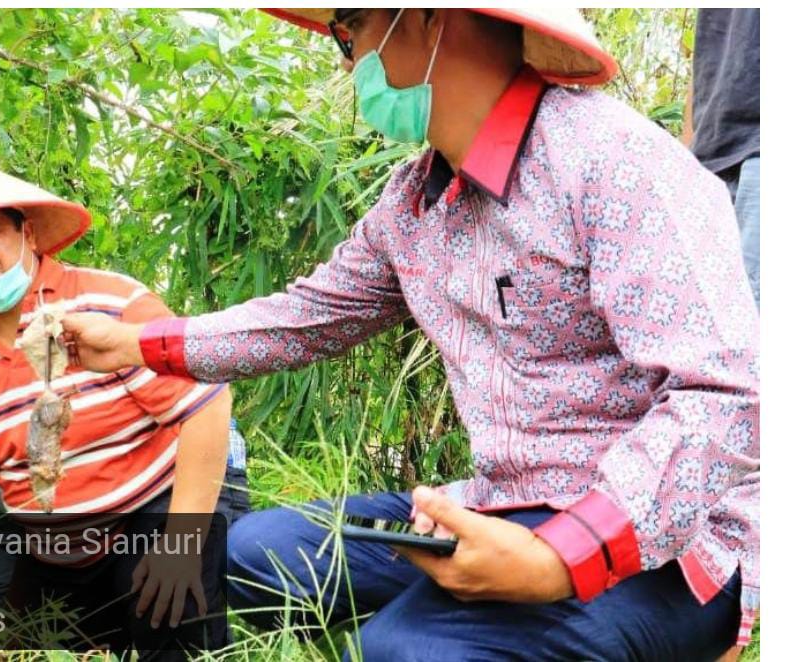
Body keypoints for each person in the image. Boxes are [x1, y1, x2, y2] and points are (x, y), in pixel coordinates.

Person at [61, 8, 759, 660]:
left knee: (405, 649)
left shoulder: (611, 160)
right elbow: (307, 316)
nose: (345, 63)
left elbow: (727, 397)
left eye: (349, 30)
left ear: (426, 17)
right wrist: (137, 344)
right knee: (254, 552)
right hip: (501, 503)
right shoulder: (412, 204)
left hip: (663, 538)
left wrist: (561, 556)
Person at [0, 158, 240, 656]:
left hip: (157, 510)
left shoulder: (108, 303)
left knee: (166, 616)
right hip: (56, 549)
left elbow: (205, 407)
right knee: (27, 644)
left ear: (29, 235)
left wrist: (181, 546)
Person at [683, 8, 760, 308]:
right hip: (710, 156)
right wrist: (685, 161)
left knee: (751, 327)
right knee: (705, 321)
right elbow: (707, 53)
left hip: (762, 151)